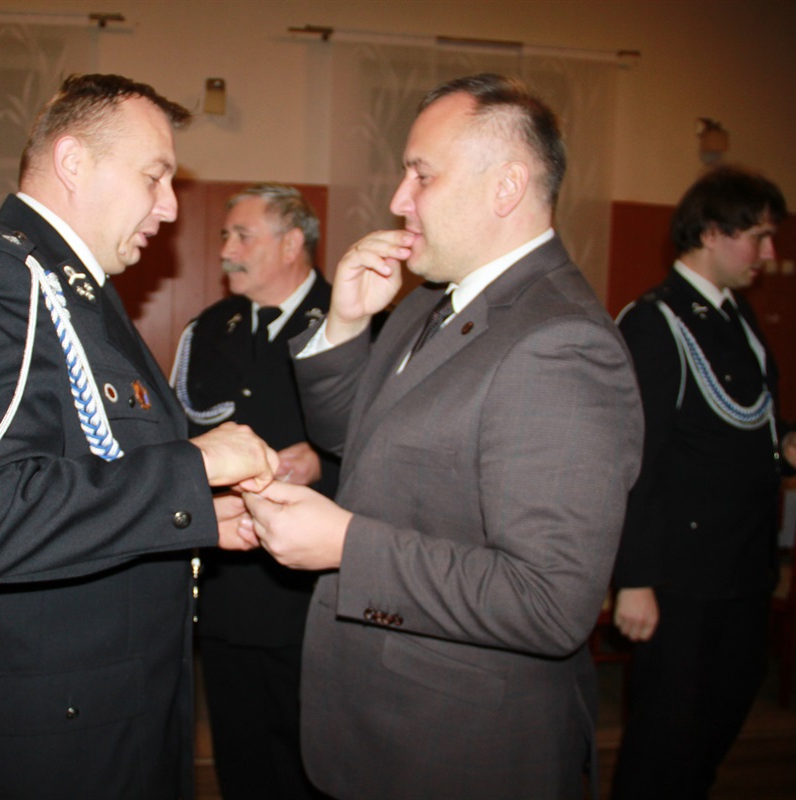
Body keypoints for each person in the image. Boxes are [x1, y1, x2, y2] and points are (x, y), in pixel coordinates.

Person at [241, 73, 644, 799]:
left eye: (421, 175)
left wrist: (347, 545)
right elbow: (351, 441)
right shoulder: (428, 300)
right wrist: (346, 325)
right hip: (381, 721)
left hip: (462, 748)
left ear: (506, 187)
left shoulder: (561, 343)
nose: (399, 199)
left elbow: (549, 602)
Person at [0, 74, 278, 799]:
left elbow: (88, 466)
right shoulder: (5, 278)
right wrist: (191, 466)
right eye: (153, 177)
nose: (170, 207)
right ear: (73, 163)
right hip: (46, 743)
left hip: (101, 716)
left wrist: (196, 513)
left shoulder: (75, 288)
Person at [609, 165, 796, 799]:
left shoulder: (735, 316)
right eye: (758, 236)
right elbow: (638, 459)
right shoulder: (655, 321)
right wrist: (635, 580)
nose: (770, 252)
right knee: (664, 739)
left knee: (718, 718)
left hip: (742, 566)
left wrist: (786, 440)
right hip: (683, 576)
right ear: (711, 232)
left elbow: (736, 419)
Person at [171, 183, 336, 800]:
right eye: (225, 236)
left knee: (312, 759)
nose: (225, 251)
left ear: (292, 244)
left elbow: (396, 452)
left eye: (242, 236)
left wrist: (325, 463)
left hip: (313, 596)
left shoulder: (352, 323)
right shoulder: (210, 329)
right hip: (229, 586)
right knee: (238, 755)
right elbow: (182, 437)